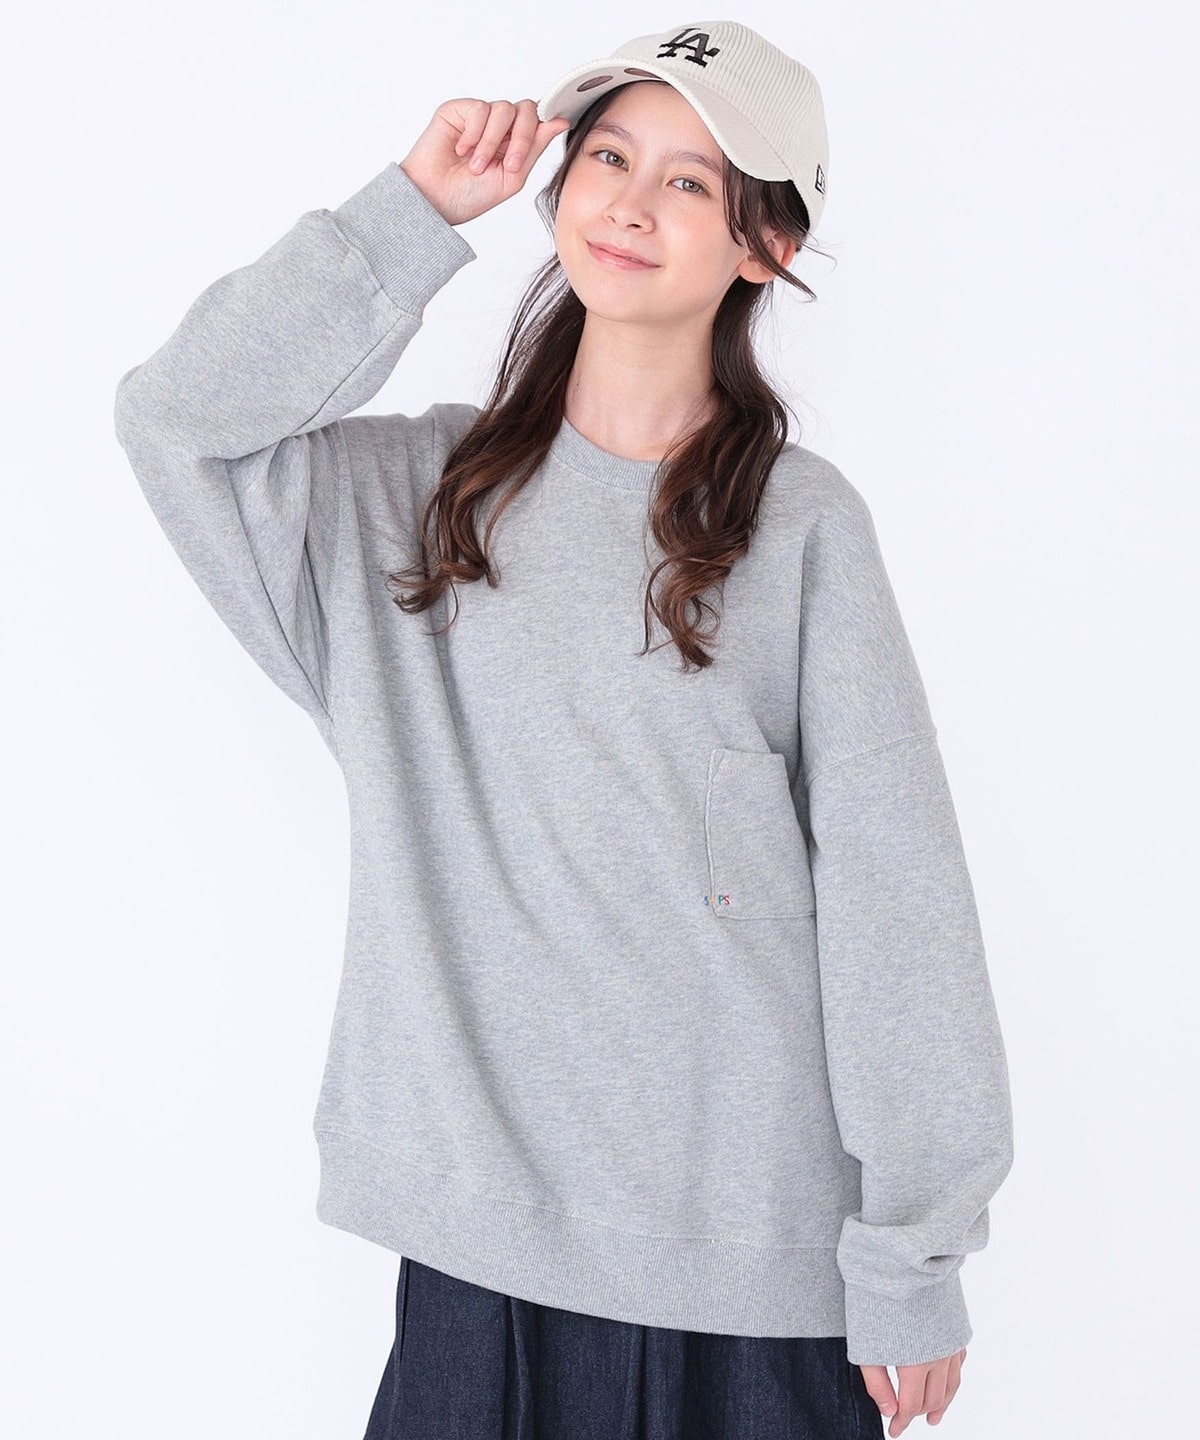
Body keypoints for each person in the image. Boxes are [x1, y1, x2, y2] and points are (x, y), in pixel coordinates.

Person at [112, 20, 1014, 1440]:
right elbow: (177, 420)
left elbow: (895, 897)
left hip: (746, 1267)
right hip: (479, 1262)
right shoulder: (409, 505)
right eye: (608, 157)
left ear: (766, 247)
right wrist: (408, 215)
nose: (633, 203)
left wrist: (915, 1251)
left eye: (691, 183)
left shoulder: (800, 531)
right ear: (559, 186)